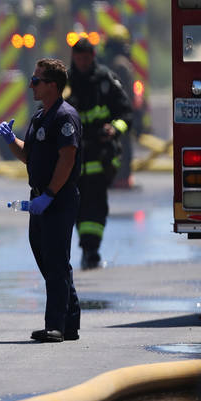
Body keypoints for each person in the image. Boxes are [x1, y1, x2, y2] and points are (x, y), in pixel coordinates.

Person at [0, 58, 82, 342]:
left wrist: (50, 194)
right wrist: (12, 141)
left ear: (52, 86)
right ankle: (69, 321)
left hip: (56, 198)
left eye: (36, 80)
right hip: (39, 200)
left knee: (56, 261)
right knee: (47, 258)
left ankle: (55, 325)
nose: (31, 85)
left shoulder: (64, 116)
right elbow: (29, 156)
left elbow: (67, 159)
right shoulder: (39, 116)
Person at [67, 37, 132, 268]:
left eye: (87, 58)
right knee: (77, 207)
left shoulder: (105, 80)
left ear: (93, 57)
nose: (83, 63)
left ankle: (91, 249)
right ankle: (87, 248)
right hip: (72, 157)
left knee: (96, 206)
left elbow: (126, 114)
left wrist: (114, 129)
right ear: (73, 58)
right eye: (79, 59)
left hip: (99, 156)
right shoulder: (66, 83)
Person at [100, 25, 138, 190]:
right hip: (121, 114)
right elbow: (128, 94)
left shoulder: (107, 64)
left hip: (109, 113)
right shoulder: (122, 65)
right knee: (123, 144)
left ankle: (115, 177)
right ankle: (122, 178)